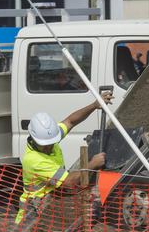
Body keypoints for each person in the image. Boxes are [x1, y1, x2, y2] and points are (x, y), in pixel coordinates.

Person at [15, 92, 113, 224]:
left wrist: (94, 105)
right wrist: (92, 164)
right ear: (34, 139)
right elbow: (68, 181)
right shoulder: (34, 160)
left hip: (49, 209)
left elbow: (71, 121)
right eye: (45, 145)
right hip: (31, 218)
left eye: (51, 142)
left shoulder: (49, 139)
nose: (49, 146)